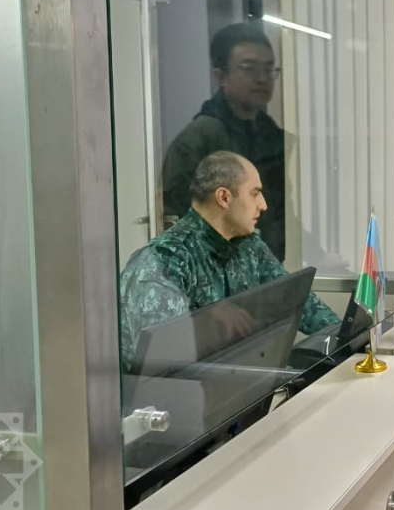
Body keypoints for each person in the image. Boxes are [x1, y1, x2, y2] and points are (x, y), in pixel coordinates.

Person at [120, 151, 339, 369]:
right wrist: (210, 319)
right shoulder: (166, 259)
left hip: (236, 380)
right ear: (224, 197)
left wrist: (341, 338)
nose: (263, 205)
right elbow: (164, 358)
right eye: (254, 194)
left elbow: (291, 296)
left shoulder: (248, 245)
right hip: (181, 387)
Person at [162, 23, 290, 260]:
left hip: (267, 266)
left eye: (269, 69)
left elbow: (282, 212)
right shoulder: (197, 141)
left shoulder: (271, 135)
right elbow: (178, 223)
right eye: (249, 68)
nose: (262, 79)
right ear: (220, 75)